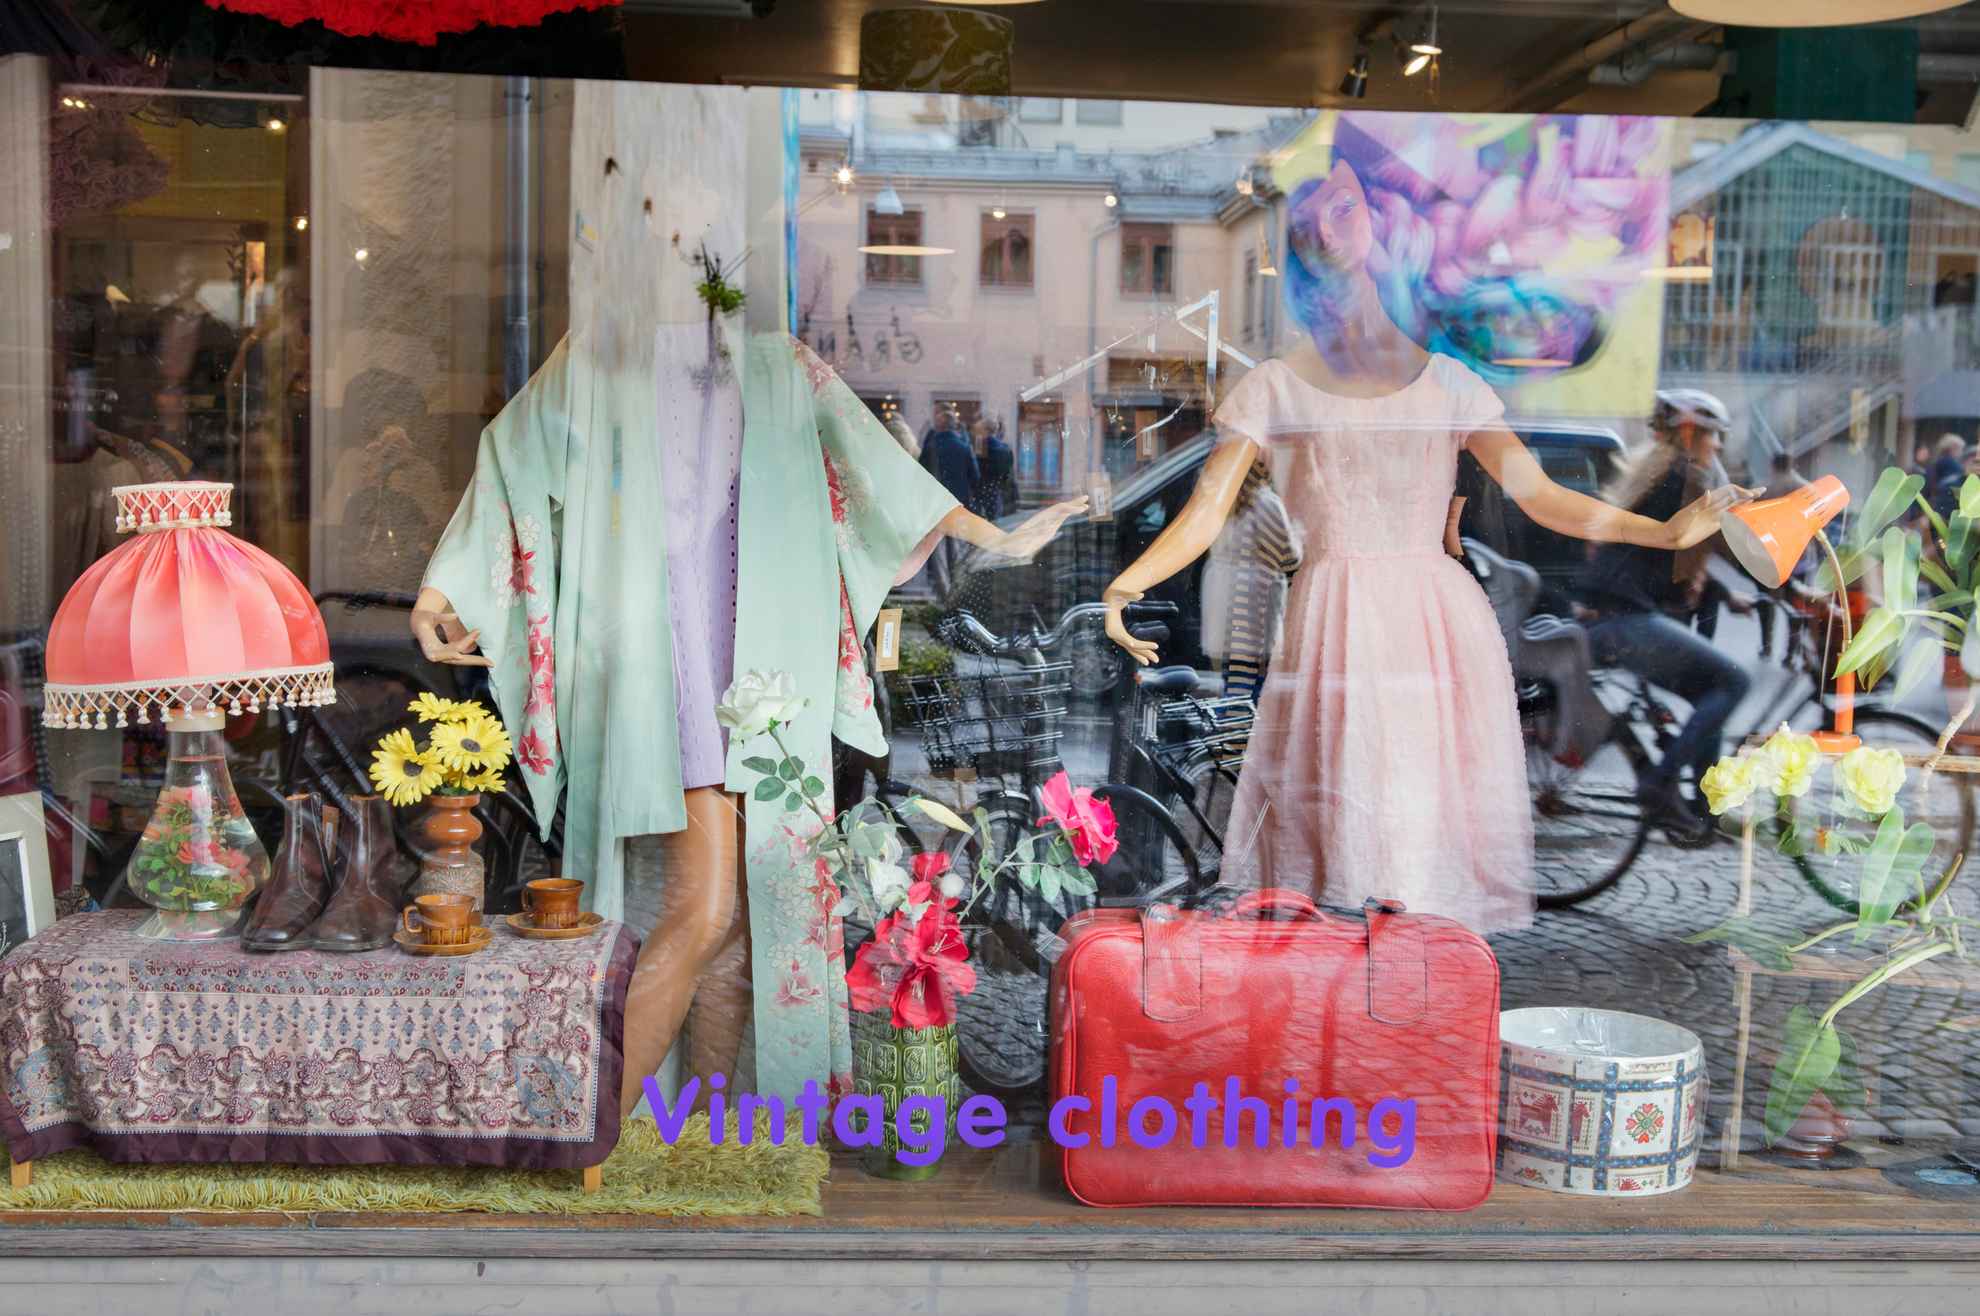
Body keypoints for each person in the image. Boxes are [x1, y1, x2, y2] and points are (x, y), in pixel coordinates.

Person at [1102, 152, 1746, 934]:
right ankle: (1350, 1009)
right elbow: (1206, 512)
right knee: (1344, 834)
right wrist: (1125, 587)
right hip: (1336, 625)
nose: (1329, 221)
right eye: (1312, 215)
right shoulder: (1275, 387)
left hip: (1435, 633)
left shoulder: (1449, 387)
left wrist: (1668, 529)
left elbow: (1541, 496)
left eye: (1346, 203)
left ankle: (1405, 1015)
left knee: (1414, 836)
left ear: (1379, 228)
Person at [1575, 389, 1752, 836]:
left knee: (1710, 691)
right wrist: (1796, 589)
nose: (1718, 448)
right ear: (1691, 432)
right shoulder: (1681, 478)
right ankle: (1660, 782)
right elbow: (1727, 542)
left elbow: (1664, 555)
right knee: (1733, 680)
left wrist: (1722, 593)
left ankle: (1704, 811)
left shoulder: (1655, 473)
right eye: (1714, 437)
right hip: (1626, 623)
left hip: (1611, 619)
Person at [969, 414, 1017, 520]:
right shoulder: (1005, 448)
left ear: (985, 431)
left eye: (978, 430)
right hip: (996, 492)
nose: (976, 433)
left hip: (982, 492)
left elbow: (975, 471)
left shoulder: (982, 448)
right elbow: (1007, 473)